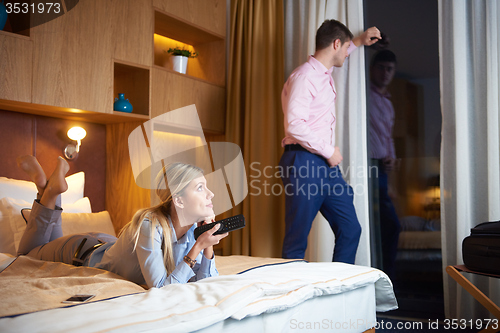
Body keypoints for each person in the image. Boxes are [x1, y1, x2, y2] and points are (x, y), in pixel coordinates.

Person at [16, 155, 227, 288]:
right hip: (81, 252)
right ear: (178, 200)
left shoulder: (193, 230)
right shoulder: (149, 224)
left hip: (104, 243)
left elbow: (207, 284)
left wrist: (206, 248)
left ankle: (48, 190)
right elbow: (162, 289)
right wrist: (198, 247)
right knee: (25, 257)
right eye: (200, 188)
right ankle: (49, 191)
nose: (211, 194)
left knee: (41, 248)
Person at [279, 19, 380, 263]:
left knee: (351, 229)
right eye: (345, 48)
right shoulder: (304, 77)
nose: (347, 54)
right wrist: (328, 150)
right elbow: (295, 124)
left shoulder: (322, 73)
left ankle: (338, 289)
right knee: (297, 240)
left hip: (324, 165)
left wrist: (358, 40)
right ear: (336, 44)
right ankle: (295, 297)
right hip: (303, 161)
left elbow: (341, 52)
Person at [368, 49, 401, 278]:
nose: (385, 73)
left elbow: (387, 135)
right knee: (388, 225)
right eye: (381, 67)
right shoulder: (364, 95)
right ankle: (384, 277)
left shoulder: (388, 103)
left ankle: (385, 277)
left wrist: (391, 157)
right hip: (366, 165)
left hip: (382, 168)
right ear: (372, 69)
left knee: (385, 226)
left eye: (390, 69)